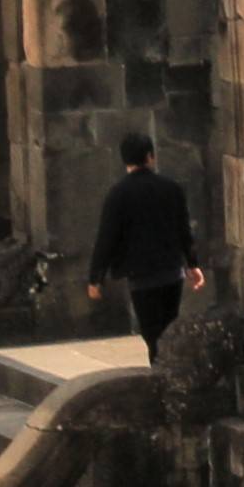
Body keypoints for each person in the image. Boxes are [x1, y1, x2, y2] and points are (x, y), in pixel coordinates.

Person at [86, 137, 202, 350]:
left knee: (152, 333)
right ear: (150, 156)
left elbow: (107, 238)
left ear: (125, 160)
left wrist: (96, 278)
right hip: (171, 271)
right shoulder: (171, 188)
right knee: (169, 328)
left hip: (141, 275)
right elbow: (184, 230)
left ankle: (159, 372)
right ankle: (168, 371)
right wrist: (193, 264)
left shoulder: (118, 194)